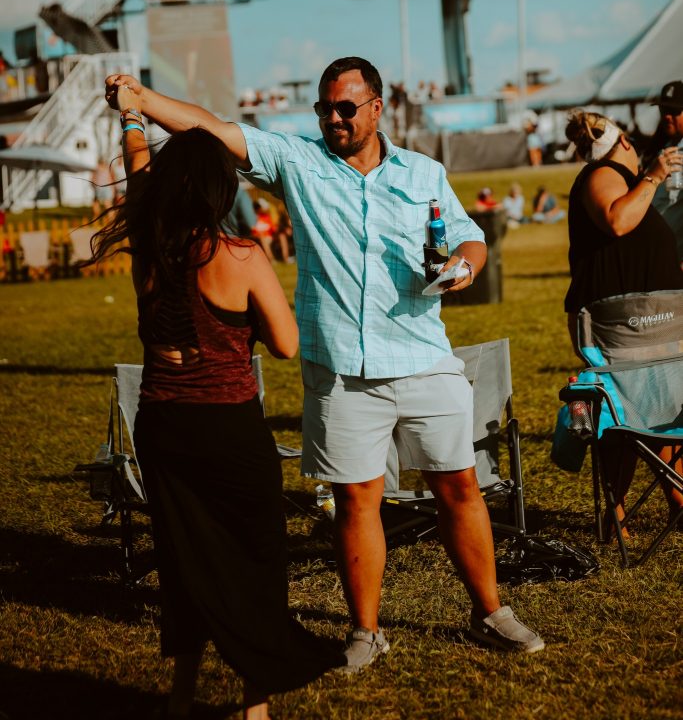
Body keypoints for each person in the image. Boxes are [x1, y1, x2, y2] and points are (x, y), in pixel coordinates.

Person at [104, 57, 544, 667]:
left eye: (345, 108)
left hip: (424, 356)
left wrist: (464, 265)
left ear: (377, 108)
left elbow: (471, 235)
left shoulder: (424, 172)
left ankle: (490, 613)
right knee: (357, 501)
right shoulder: (298, 162)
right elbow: (213, 130)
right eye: (323, 109)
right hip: (340, 368)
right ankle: (365, 631)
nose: (333, 119)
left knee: (460, 487)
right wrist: (141, 99)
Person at [90, 86, 340, 719]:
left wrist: (132, 118)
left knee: (184, 559)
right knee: (255, 559)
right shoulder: (241, 256)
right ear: (219, 191)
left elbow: (139, 176)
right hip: (228, 427)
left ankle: (181, 697)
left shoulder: (149, 244)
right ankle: (255, 708)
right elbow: (285, 344)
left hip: (162, 425)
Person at [563, 110, 683, 529]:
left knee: (657, 403)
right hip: (622, 328)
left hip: (651, 323)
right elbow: (616, 221)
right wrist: (653, 177)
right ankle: (617, 512)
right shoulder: (604, 174)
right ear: (625, 142)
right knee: (628, 408)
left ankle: (677, 497)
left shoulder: (624, 181)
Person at [648, 80, 683, 266]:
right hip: (659, 255)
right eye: (663, 110)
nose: (667, 116)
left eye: (674, 111)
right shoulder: (661, 150)